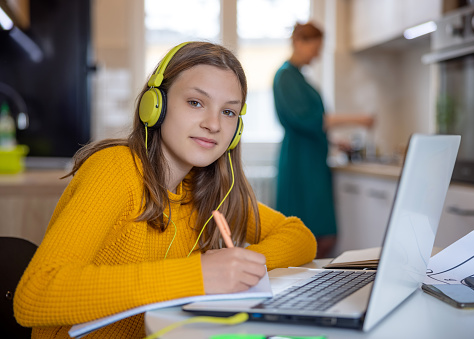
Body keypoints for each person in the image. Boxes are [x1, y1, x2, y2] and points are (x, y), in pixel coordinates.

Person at [14, 41, 317, 338]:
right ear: (155, 106)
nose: (214, 124)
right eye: (195, 102)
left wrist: (239, 268)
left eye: (228, 112)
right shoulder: (115, 169)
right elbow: (36, 294)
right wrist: (198, 275)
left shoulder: (206, 190)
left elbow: (300, 236)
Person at [273, 22, 373, 259]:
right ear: (299, 43)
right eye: (315, 47)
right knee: (311, 232)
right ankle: (306, 286)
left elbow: (311, 125)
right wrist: (358, 119)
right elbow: (310, 120)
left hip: (312, 159)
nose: (317, 54)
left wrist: (335, 141)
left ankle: (312, 283)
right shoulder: (286, 76)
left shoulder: (298, 77)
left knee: (321, 232)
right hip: (301, 162)